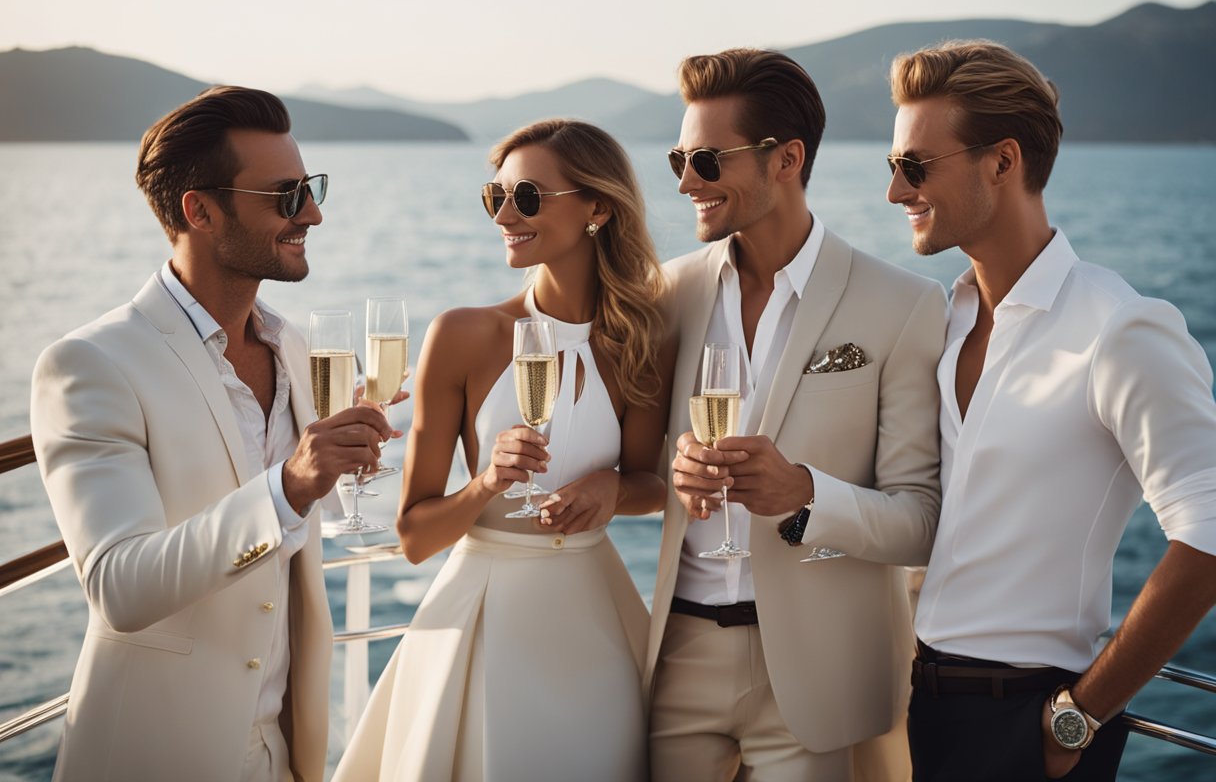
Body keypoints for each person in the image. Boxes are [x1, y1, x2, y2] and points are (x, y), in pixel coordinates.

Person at [29, 86, 398, 782]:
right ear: (200, 210)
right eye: (286, 197)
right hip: (155, 753)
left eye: (311, 189)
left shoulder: (295, 351)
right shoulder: (90, 366)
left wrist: (337, 457)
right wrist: (289, 485)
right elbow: (119, 586)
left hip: (285, 754)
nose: (313, 213)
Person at [886, 40, 1216, 781]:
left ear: (1001, 162)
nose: (896, 193)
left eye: (914, 167)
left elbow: (1211, 530)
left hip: (1028, 726)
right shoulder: (945, 320)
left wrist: (1079, 717)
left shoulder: (1120, 327)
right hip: (909, 706)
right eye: (892, 168)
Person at [333, 119, 673, 782]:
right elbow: (414, 536)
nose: (505, 216)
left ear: (597, 207)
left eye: (527, 197)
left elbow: (649, 485)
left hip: (594, 621)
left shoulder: (642, 338)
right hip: (485, 621)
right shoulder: (463, 334)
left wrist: (611, 489)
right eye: (496, 198)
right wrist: (488, 482)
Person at [647, 48, 948, 781]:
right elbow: (639, 463)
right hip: (676, 657)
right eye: (679, 158)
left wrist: (806, 494)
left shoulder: (903, 305)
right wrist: (673, 474)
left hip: (820, 674)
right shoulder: (668, 293)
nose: (687, 180)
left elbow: (922, 519)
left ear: (785, 159)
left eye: (708, 160)